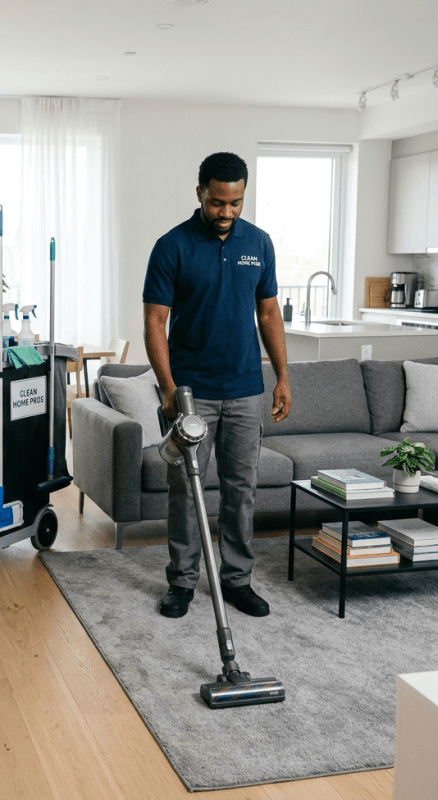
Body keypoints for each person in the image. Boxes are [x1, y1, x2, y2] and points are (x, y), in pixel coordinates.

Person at [143, 151, 291, 619]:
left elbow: (268, 312)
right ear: (200, 194)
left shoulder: (259, 243)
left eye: (235, 203)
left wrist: (283, 375)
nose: (226, 213)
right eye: (216, 203)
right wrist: (169, 389)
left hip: (246, 387)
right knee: (186, 490)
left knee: (241, 488)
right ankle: (182, 582)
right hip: (192, 393)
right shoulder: (173, 245)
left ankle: (236, 580)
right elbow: (155, 321)